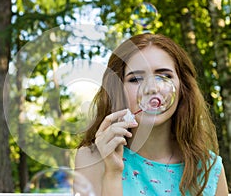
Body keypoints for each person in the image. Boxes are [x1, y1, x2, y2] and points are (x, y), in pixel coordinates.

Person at [74, 33, 229, 195]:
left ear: (183, 88)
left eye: (164, 76)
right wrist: (112, 173)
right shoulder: (93, 159)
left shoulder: (209, 168)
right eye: (136, 79)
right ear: (118, 90)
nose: (152, 88)